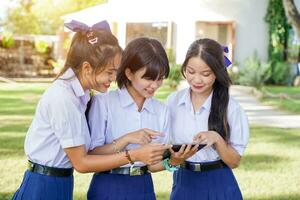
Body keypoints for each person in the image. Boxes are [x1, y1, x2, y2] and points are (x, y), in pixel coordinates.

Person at [12, 21, 170, 200]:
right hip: (43, 185)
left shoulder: (81, 95)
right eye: (110, 72)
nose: (113, 78)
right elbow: (82, 162)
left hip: (59, 181)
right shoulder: (64, 98)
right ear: (87, 68)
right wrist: (133, 154)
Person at [87, 37, 198, 200]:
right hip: (108, 186)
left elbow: (153, 166)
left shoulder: (161, 111)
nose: (155, 85)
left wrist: (174, 161)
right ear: (129, 73)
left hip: (144, 187)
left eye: (159, 78)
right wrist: (127, 139)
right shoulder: (103, 103)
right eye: (148, 78)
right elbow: (92, 154)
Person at [167, 38, 249, 200]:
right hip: (184, 181)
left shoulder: (231, 108)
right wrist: (173, 159)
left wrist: (217, 139)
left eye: (205, 74)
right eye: (190, 72)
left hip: (219, 184)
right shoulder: (173, 102)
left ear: (218, 73)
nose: (197, 80)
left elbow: (234, 161)